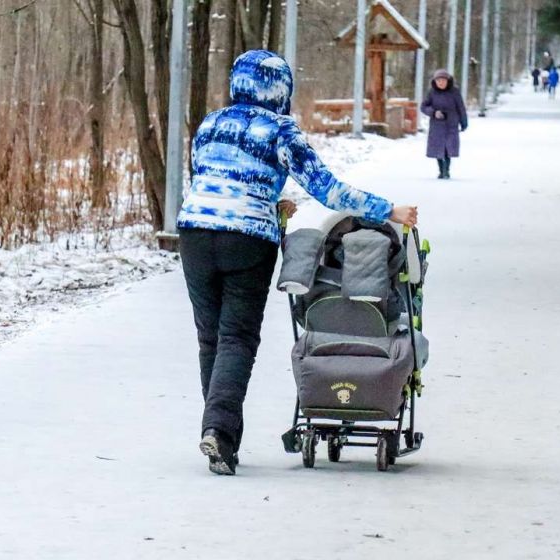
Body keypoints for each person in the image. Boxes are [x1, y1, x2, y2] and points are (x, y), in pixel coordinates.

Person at [177, 50, 418, 476]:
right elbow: (328, 191)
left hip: (195, 233)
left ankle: (221, 439)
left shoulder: (211, 123)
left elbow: (210, 179)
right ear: (281, 90)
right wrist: (389, 211)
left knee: (209, 339)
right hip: (246, 241)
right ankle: (217, 430)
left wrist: (271, 201)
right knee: (236, 338)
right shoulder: (280, 130)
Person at [420, 69, 468, 180]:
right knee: (438, 149)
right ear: (435, 81)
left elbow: (461, 107)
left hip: (451, 124)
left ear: (448, 81)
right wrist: (433, 112)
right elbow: (423, 107)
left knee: (448, 149)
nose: (440, 83)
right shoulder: (431, 92)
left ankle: (446, 171)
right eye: (438, 80)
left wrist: (464, 122)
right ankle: (441, 170)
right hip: (437, 126)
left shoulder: (454, 92)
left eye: (443, 80)